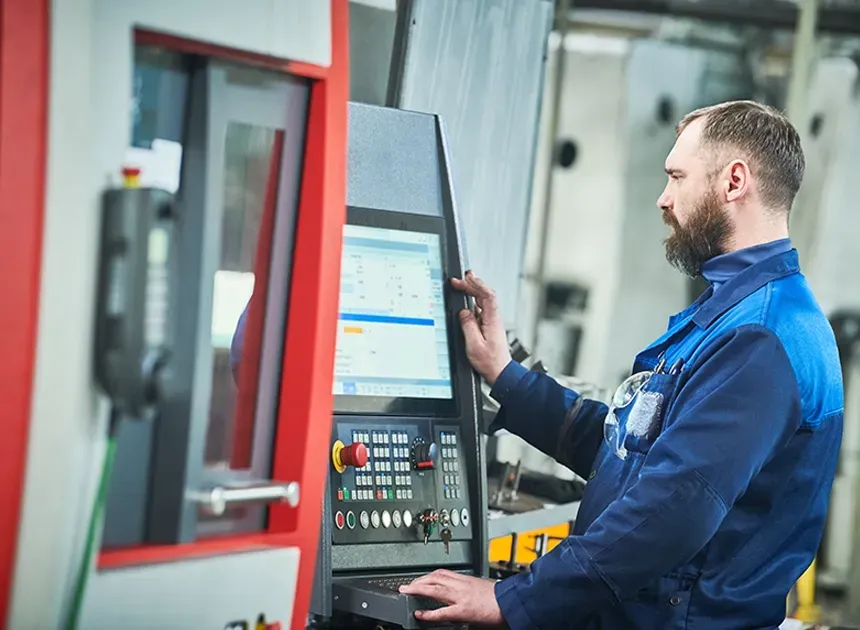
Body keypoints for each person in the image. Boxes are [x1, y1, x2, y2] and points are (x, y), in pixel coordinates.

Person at [399, 100, 844, 628]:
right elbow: (628, 450)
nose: (663, 198)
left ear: (734, 182)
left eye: (677, 176)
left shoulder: (761, 336)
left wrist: (512, 600)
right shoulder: (739, 315)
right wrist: (505, 374)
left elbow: (672, 509)